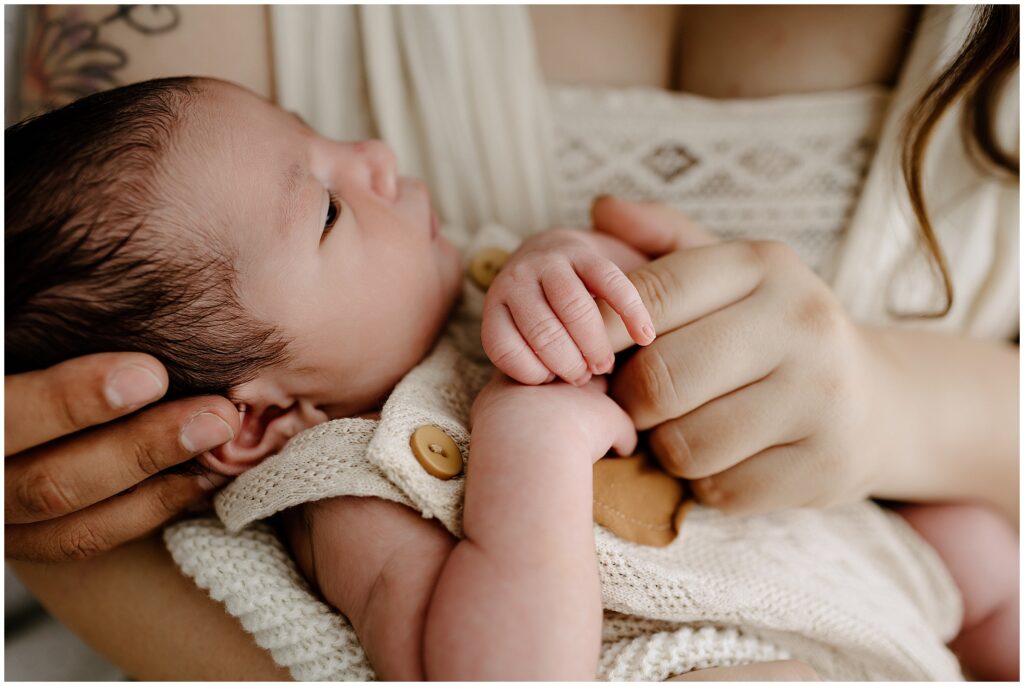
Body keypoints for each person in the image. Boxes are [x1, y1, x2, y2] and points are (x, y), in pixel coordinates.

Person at [6, 4, 1017, 680]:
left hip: (854, 560)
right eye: (323, 209)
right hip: (717, 652)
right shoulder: (346, 491)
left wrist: (569, 266)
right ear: (261, 415)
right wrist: (527, 444)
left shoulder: (463, 291)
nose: (371, 155)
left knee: (974, 546)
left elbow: (639, 318)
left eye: (318, 133)